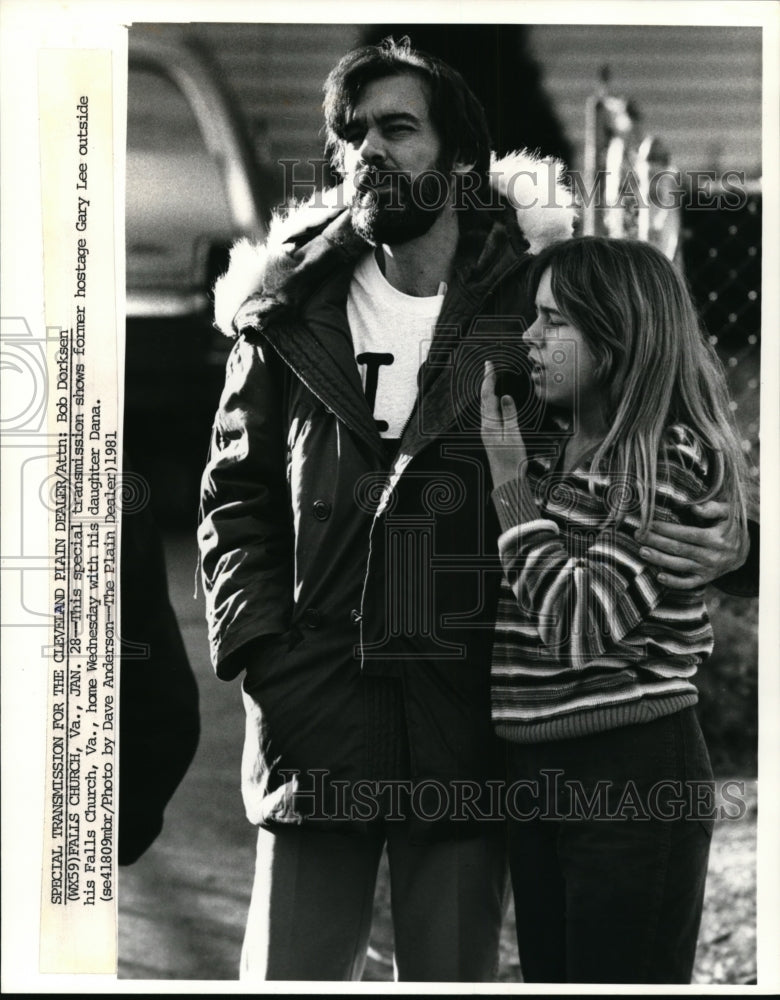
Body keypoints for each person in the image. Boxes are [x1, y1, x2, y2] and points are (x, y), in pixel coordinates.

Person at [199, 38, 752, 982]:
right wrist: (262, 654)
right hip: (312, 710)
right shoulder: (283, 312)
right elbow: (235, 493)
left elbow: (632, 432)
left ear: (457, 157)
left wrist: (721, 536)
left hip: (465, 716)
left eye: (396, 128)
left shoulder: (533, 302)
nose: (367, 150)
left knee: (454, 973)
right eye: (351, 134)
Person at [480, 236, 756, 984]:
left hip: (630, 774)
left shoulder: (661, 458)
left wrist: (509, 493)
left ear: (615, 337)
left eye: (552, 322)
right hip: (537, 771)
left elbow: (576, 626)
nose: (529, 338)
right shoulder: (555, 456)